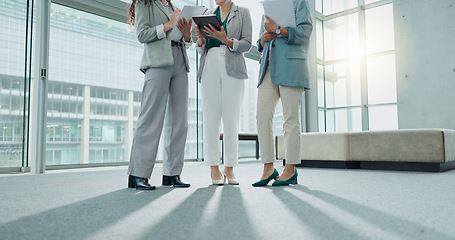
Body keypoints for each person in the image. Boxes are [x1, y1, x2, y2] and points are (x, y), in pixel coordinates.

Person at [127, 0, 193, 190]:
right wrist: (169, 24)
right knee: (151, 118)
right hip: (157, 62)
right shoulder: (144, 3)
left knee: (179, 121)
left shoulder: (172, 7)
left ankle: (172, 173)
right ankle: (138, 174)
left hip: (180, 60)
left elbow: (181, 38)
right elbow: (142, 34)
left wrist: (186, 34)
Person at [252, 0, 313, 187]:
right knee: (262, 117)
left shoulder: (298, 2)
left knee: (290, 119)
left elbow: (305, 32)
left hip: (292, 65)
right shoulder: (269, 5)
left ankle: (291, 169)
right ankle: (268, 167)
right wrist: (263, 39)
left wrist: (279, 30)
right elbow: (261, 40)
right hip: (269, 67)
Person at [194, 0, 252, 185]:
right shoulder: (208, 14)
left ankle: (229, 167)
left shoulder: (242, 12)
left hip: (232, 65)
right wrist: (201, 39)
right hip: (209, 63)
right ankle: (213, 168)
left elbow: (247, 44)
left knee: (231, 119)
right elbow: (201, 48)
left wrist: (225, 39)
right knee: (211, 118)